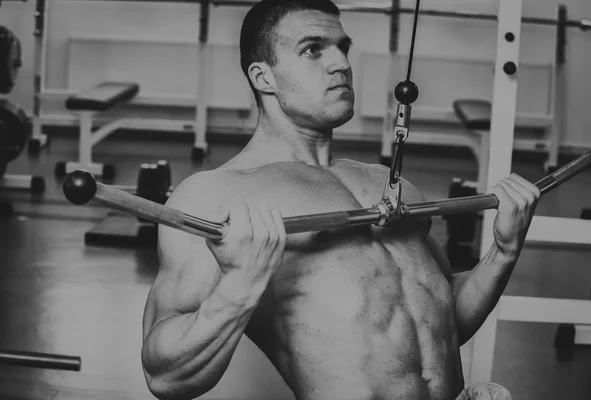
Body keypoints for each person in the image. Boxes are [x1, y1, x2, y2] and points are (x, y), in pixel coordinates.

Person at [140, 0, 540, 399]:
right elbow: (165, 376)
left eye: (342, 48)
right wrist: (238, 287)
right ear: (264, 77)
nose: (341, 64)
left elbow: (441, 325)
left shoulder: (385, 181)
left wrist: (502, 252)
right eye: (313, 49)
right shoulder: (217, 196)